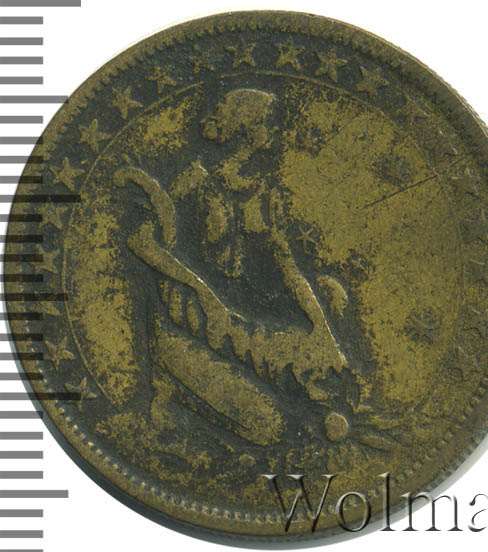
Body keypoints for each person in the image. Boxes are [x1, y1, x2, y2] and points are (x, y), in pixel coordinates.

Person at [114, 89, 350, 447]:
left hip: (238, 325)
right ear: (245, 127)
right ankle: (169, 391)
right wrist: (199, 289)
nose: (275, 130)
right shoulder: (193, 182)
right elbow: (143, 244)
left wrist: (323, 331)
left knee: (322, 340)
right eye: (268, 122)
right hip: (185, 324)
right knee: (269, 428)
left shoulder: (266, 194)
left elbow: (288, 268)